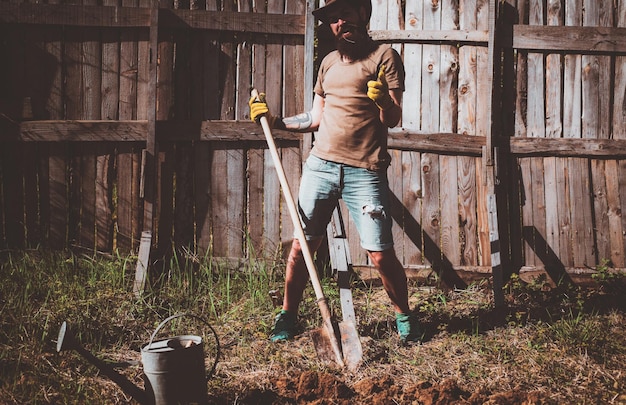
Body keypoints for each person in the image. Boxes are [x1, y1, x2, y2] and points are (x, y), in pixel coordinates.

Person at [249, 0, 421, 345]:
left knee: (379, 253)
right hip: (321, 166)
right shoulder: (327, 62)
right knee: (301, 247)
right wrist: (275, 121)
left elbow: (394, 118)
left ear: (362, 13)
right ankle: (288, 316)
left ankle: (404, 315)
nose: (340, 22)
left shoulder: (384, 56)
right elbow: (315, 117)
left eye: (345, 14)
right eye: (332, 18)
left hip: (365, 171)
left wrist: (384, 103)